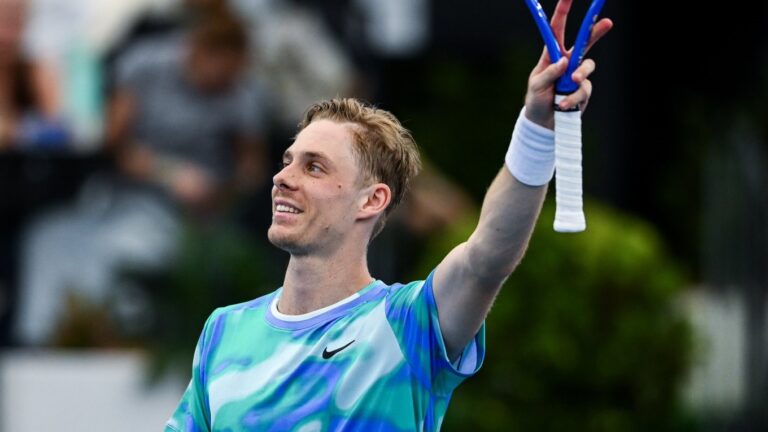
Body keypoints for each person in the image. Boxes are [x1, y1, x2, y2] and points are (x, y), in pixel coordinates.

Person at [165, 1, 612, 430]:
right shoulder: (223, 331)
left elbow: (489, 254)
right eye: (287, 160)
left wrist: (537, 122)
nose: (284, 177)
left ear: (371, 200)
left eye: (314, 166)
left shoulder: (409, 324)